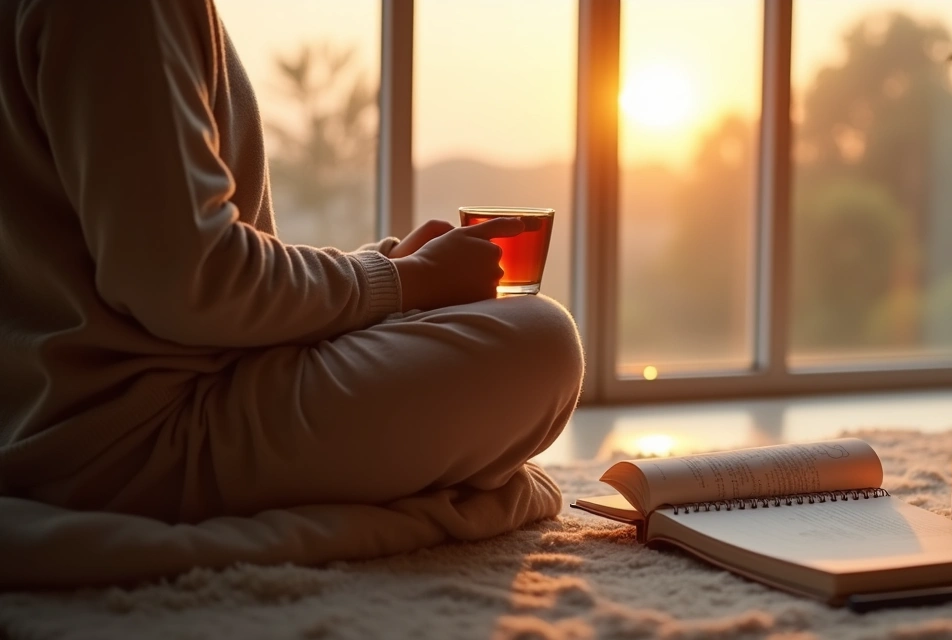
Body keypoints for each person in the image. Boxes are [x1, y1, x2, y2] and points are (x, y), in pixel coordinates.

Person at [0, 0, 583, 582]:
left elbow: (170, 262)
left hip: (54, 421)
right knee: (542, 341)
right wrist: (405, 281)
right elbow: (191, 282)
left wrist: (387, 274)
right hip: (140, 442)